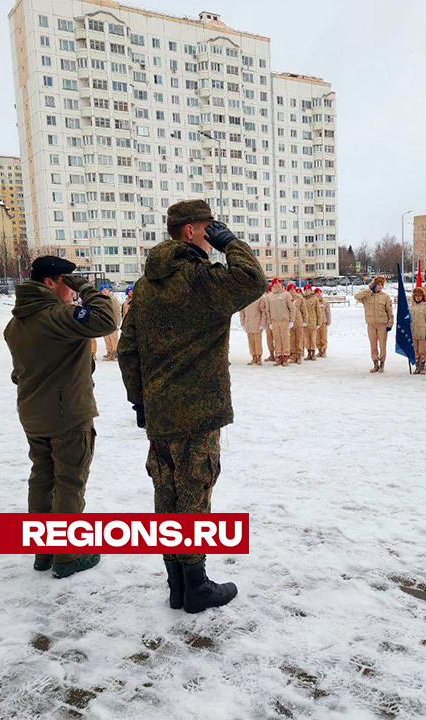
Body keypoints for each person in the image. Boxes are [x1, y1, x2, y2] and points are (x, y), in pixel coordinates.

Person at [118, 200, 266, 613]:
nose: (213, 232)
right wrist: (232, 243)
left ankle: (176, 583)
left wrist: (140, 402)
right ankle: (196, 584)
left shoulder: (145, 287)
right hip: (199, 411)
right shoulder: (204, 281)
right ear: (189, 232)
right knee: (194, 492)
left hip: (161, 412)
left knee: (166, 493)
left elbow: (128, 350)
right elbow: (253, 280)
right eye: (208, 227)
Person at [5, 256, 117, 578]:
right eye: (67, 282)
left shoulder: (16, 322)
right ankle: (68, 555)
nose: (72, 290)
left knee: (42, 479)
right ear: (50, 283)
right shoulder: (57, 315)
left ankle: (44, 551)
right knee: (69, 482)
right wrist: (84, 286)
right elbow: (107, 319)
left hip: (34, 415)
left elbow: (20, 372)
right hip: (67, 415)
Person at [355, 275, 393, 373]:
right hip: (371, 324)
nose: (380, 286)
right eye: (378, 284)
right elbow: (356, 297)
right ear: (374, 285)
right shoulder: (366, 296)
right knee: (373, 345)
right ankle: (375, 363)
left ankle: (382, 364)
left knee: (382, 345)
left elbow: (389, 312)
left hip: (382, 324)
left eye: (382, 285)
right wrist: (368, 288)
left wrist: (390, 324)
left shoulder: (385, 297)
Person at [265, 278, 294, 366]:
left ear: (281, 284)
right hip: (274, 322)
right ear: (272, 285)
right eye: (275, 283)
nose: (276, 285)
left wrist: (291, 320)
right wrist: (269, 322)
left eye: (278, 283)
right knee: (277, 340)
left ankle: (285, 357)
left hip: (284, 321)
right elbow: (267, 310)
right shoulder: (269, 296)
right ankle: (278, 356)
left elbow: (292, 308)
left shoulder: (287, 294)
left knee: (285, 339)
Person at [410, 286, 426, 374]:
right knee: (415, 351)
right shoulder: (411, 307)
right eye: (416, 295)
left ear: (423, 296)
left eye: (420, 295)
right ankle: (417, 366)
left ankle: (422, 365)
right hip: (413, 333)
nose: (418, 297)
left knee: (422, 350)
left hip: (422, 333)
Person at [238, 294, 266, 365]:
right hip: (248, 323)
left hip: (257, 323)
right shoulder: (245, 298)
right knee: (250, 342)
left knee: (257, 341)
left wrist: (262, 324)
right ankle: (254, 357)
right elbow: (241, 312)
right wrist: (243, 323)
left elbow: (263, 311)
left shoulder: (260, 298)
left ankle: (259, 357)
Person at [100, 285, 121, 361]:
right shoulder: (101, 300)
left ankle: (115, 353)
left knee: (114, 338)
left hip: (112, 322)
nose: (105, 291)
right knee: (107, 338)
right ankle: (109, 352)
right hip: (104, 322)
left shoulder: (112, 299)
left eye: (106, 290)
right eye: (103, 290)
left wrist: (118, 323)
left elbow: (117, 311)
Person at [303, 284, 320, 361]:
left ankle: (313, 353)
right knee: (307, 339)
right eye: (305, 290)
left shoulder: (315, 299)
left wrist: (318, 323)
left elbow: (318, 311)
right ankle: (308, 353)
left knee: (313, 338)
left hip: (313, 322)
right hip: (305, 323)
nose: (307, 291)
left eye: (308, 289)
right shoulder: (303, 299)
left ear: (311, 290)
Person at [315, 288, 331, 357]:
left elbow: (328, 312)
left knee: (323, 337)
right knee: (317, 338)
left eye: (320, 292)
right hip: (315, 322)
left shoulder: (325, 301)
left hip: (323, 322)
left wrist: (328, 320)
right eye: (317, 293)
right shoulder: (314, 302)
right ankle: (319, 351)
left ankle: (324, 351)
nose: (319, 294)